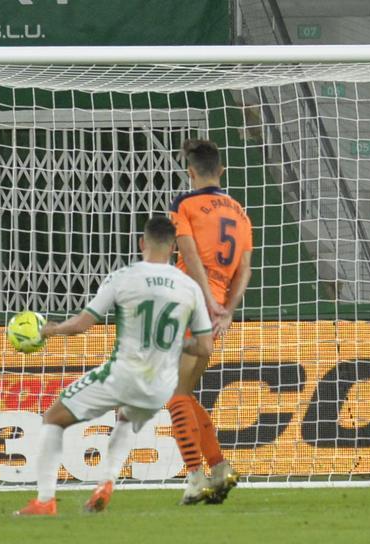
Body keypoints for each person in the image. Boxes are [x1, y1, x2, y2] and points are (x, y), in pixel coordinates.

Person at [15, 215, 214, 516]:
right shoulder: (191, 287)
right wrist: (176, 343)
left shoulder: (125, 277)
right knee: (124, 418)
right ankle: (105, 483)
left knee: (53, 418)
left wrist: (50, 330)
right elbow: (204, 347)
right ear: (174, 247)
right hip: (160, 386)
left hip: (122, 375)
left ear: (142, 243)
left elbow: (83, 324)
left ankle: (44, 501)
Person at [168, 138, 253, 505]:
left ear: (190, 172)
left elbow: (188, 254)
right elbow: (245, 270)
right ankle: (219, 468)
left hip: (189, 302)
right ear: (221, 170)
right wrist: (227, 309)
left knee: (173, 397)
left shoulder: (184, 204)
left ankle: (195, 477)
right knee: (184, 394)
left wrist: (203, 299)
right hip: (216, 308)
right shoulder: (239, 210)